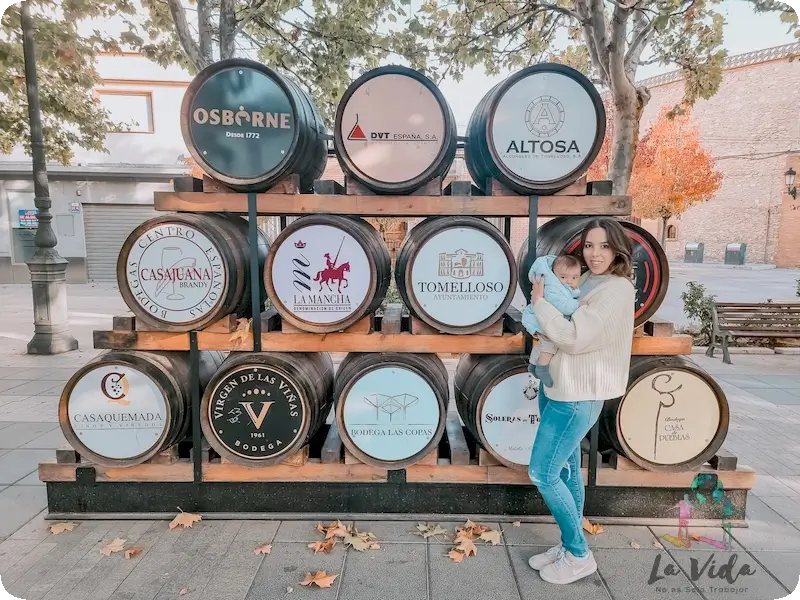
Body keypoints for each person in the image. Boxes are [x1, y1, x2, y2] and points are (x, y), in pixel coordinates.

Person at [525, 217, 635, 585]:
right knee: (568, 470)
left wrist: (539, 305)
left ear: (618, 248)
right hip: (560, 385)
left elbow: (572, 336)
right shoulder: (588, 279)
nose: (595, 253)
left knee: (542, 472)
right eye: (589, 245)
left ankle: (579, 554)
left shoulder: (616, 289)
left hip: (578, 393)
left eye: (604, 246)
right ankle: (568, 545)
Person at [521, 253, 582, 388]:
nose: (569, 281)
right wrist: (578, 305)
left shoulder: (563, 287)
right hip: (540, 320)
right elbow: (562, 306)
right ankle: (542, 368)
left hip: (541, 318)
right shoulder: (553, 287)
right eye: (564, 277)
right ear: (554, 274)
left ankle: (533, 365)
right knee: (550, 346)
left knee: (542, 344)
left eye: (574, 277)